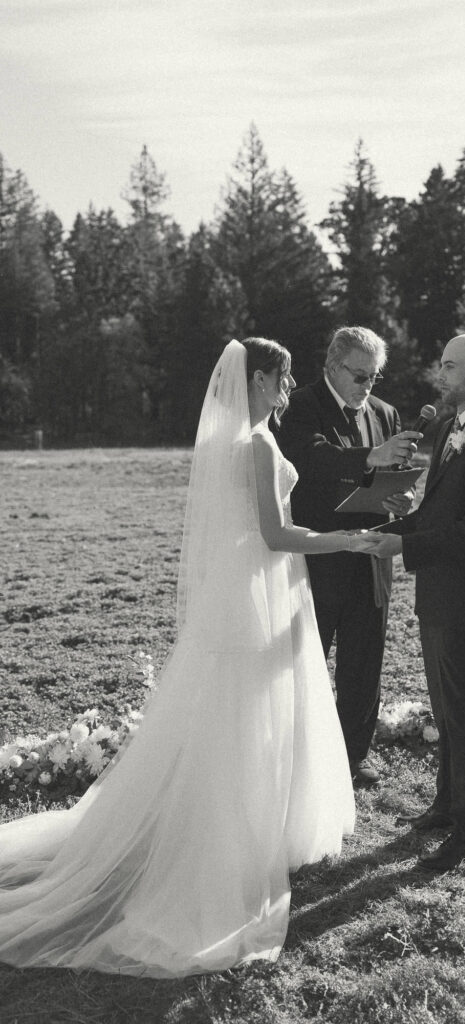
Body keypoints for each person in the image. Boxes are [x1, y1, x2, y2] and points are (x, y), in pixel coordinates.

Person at [0, 337, 373, 977]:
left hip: (258, 583)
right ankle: (234, 836)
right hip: (262, 580)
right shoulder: (254, 442)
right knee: (247, 712)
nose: (288, 393)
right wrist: (348, 540)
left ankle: (262, 825)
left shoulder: (243, 437)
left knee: (248, 708)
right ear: (256, 380)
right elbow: (276, 532)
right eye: (281, 382)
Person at [367, 333, 465, 871]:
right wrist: (390, 525)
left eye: (452, 365)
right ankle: (445, 806)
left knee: (464, 708)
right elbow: (440, 514)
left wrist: (405, 545)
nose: (442, 374)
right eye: (442, 361)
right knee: (445, 705)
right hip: (439, 589)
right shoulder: (456, 427)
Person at [274, 326, 420, 787]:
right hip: (319, 554)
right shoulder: (299, 406)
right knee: (305, 659)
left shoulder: (385, 412)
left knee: (365, 661)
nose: (367, 388)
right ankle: (295, 755)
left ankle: (354, 757)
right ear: (332, 367)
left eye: (374, 378)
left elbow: (395, 476)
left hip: (373, 554)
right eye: (359, 376)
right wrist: (371, 457)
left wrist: (402, 498)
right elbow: (311, 457)